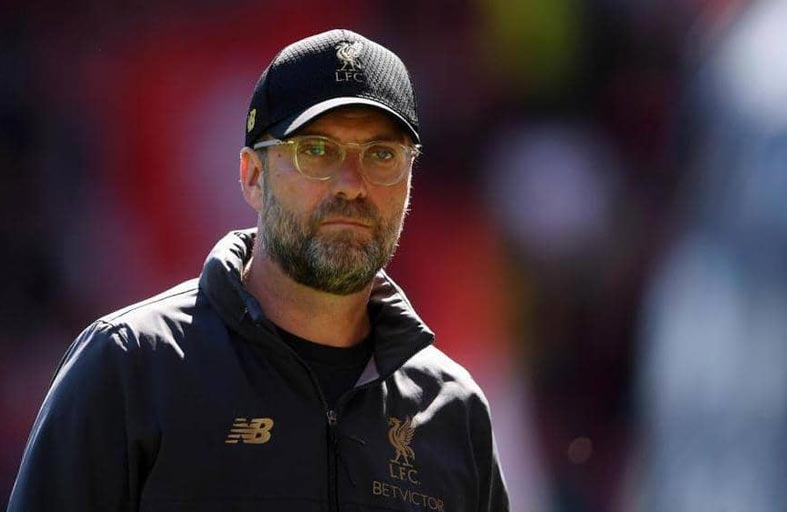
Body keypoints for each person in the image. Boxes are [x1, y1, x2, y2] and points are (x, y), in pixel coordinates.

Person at [7, 29, 510, 511]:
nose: (351, 184)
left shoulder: (454, 412)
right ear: (252, 176)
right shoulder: (130, 368)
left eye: (381, 155)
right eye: (316, 150)